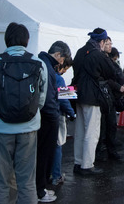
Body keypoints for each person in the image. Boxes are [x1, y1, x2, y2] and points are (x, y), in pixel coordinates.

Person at [0, 22, 48, 204]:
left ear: (6, 39)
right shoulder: (39, 63)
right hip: (28, 129)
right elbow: (41, 98)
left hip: (1, 128)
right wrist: (30, 115)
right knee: (27, 181)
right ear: (27, 40)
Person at [71, 28, 124, 176]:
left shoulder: (80, 51)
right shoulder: (98, 55)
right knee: (92, 132)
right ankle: (87, 165)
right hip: (93, 97)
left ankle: (78, 162)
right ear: (102, 41)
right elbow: (110, 72)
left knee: (80, 132)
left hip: (79, 95)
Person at [35, 41, 72, 202]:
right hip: (50, 117)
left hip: (38, 116)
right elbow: (61, 99)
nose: (63, 67)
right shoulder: (54, 74)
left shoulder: (40, 64)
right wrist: (71, 113)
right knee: (54, 148)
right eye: (64, 63)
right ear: (58, 56)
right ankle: (52, 179)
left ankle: (41, 185)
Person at [50, 53, 75, 187]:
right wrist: (72, 113)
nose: (65, 71)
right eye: (66, 68)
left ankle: (47, 173)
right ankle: (56, 175)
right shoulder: (59, 79)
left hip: (44, 115)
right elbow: (65, 100)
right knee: (58, 146)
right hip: (57, 115)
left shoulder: (46, 73)